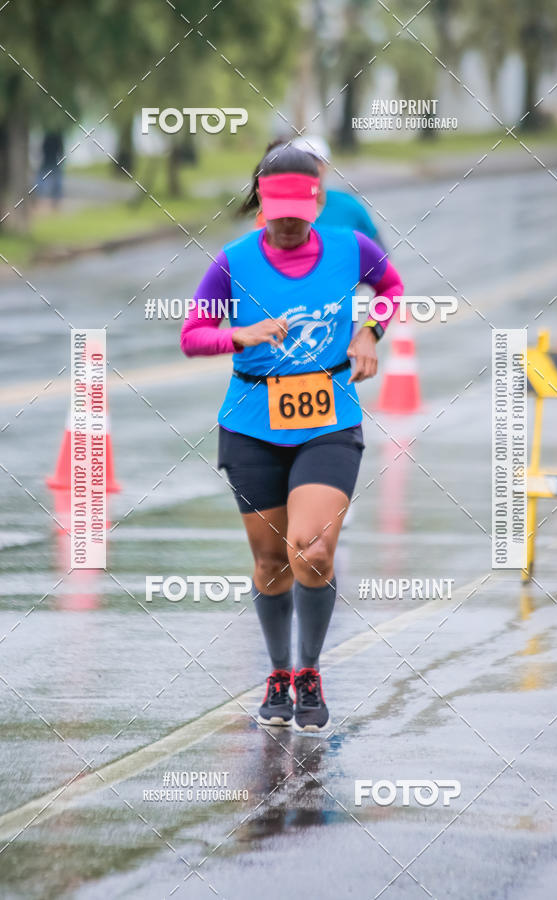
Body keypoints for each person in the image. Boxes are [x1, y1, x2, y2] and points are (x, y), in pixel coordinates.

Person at [181, 146, 403, 732]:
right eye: (275, 208)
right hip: (252, 425)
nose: (285, 222)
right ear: (260, 199)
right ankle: (278, 673)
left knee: (313, 548)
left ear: (317, 201)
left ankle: (309, 670)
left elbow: (392, 288)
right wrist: (240, 334)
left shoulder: (352, 250)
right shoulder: (233, 260)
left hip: (329, 421)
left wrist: (369, 332)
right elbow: (192, 335)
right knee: (272, 561)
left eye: (296, 210)